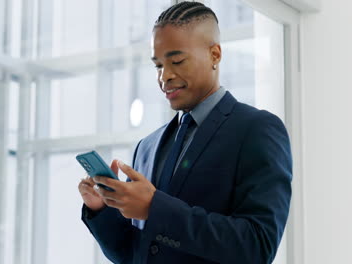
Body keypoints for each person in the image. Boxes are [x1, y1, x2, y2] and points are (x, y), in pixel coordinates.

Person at [78, 2, 292, 263]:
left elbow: (258, 247)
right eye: (157, 65)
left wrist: (154, 208)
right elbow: (135, 254)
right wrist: (101, 209)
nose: (164, 76)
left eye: (177, 61)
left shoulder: (257, 129)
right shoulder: (146, 146)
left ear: (215, 55)